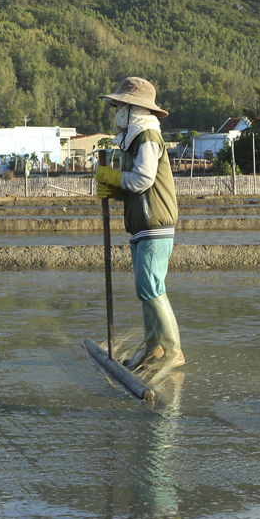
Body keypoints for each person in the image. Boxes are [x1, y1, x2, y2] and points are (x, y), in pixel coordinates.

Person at [94, 77, 184, 372]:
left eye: (120, 104)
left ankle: (172, 350)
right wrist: (114, 188)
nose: (116, 109)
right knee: (145, 288)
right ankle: (153, 347)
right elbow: (134, 186)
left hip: (154, 221)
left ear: (134, 108)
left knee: (151, 286)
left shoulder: (147, 136)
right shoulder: (132, 141)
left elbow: (144, 179)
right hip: (141, 224)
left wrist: (115, 179)